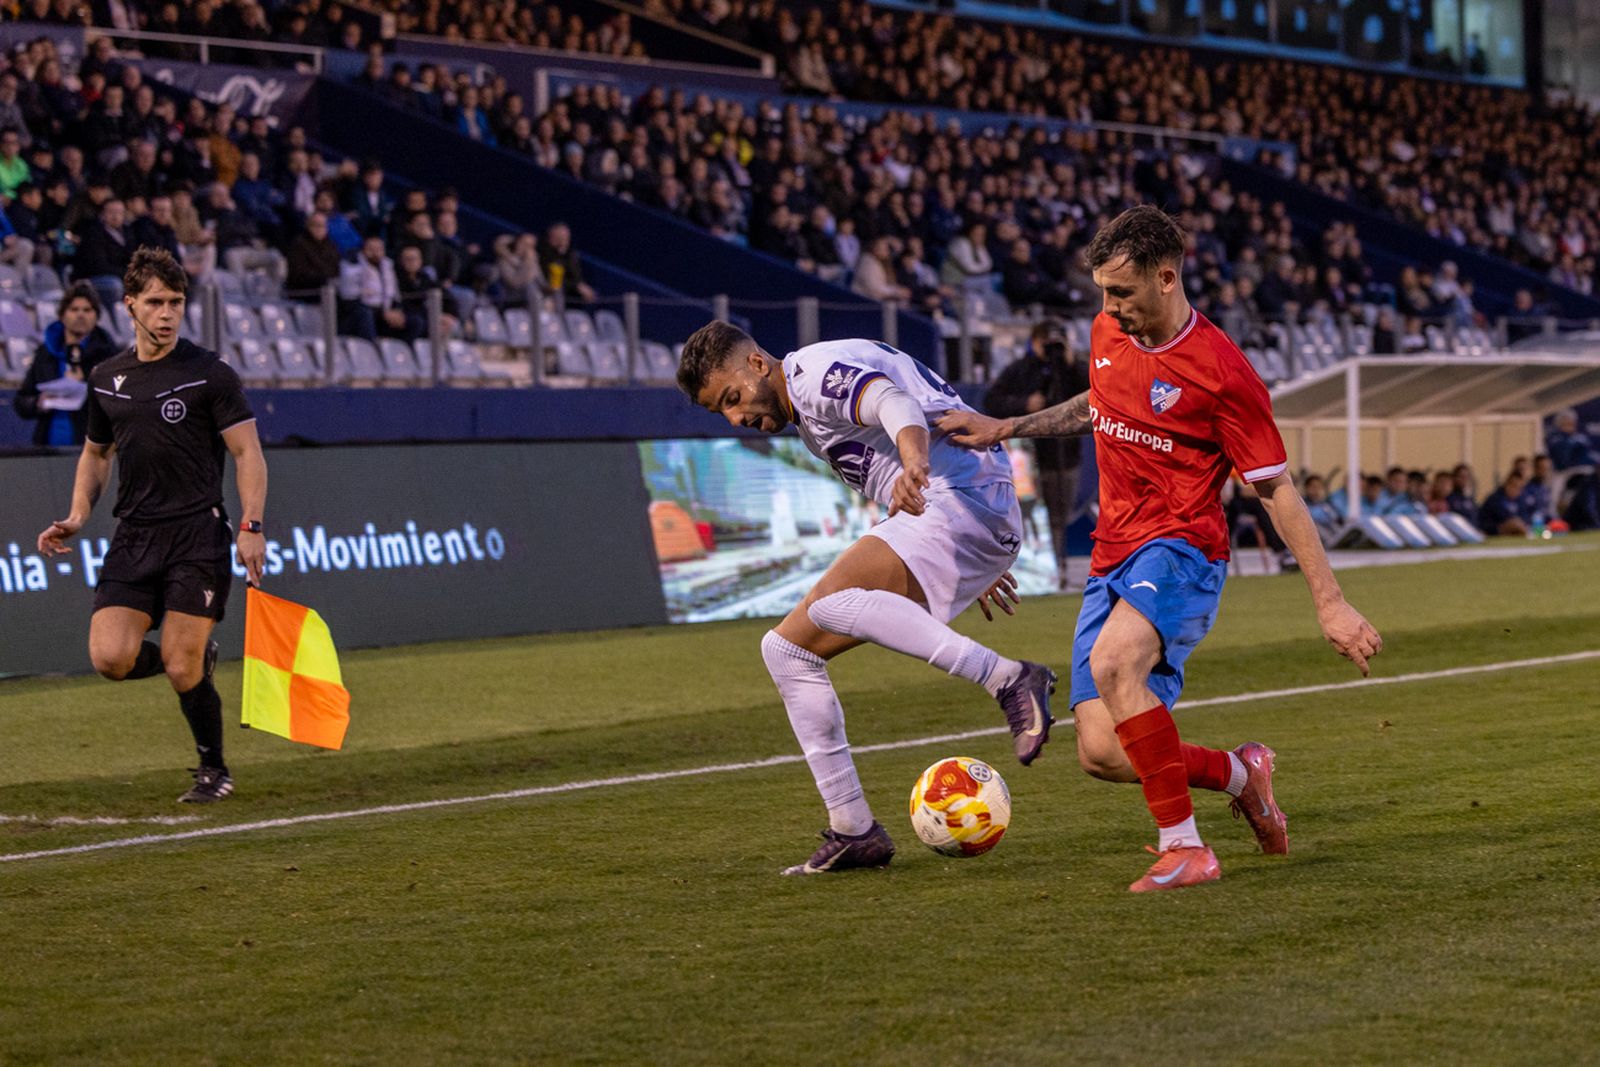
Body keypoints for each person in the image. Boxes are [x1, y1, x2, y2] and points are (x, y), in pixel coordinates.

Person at [937, 206, 1382, 893]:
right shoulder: (1106, 329)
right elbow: (1100, 402)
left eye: (1122, 293)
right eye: (1102, 293)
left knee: (1117, 664)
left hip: (1182, 547)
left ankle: (1188, 849)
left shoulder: (1223, 372)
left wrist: (1332, 601)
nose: (1109, 308)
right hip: (1110, 553)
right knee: (1103, 751)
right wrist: (1007, 426)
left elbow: (1277, 489)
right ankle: (1243, 774)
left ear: (1167, 277)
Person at [677, 320, 1058, 877]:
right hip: (961, 509)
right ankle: (853, 830)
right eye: (722, 412)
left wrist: (916, 464)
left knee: (831, 604)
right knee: (787, 651)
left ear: (759, 364)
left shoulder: (806, 376)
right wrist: (974, 555)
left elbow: (892, 402)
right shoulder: (806, 413)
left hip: (956, 496)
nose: (737, 418)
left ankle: (1007, 677)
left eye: (733, 398)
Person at [35, 247, 268, 803]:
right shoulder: (107, 378)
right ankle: (194, 663)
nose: (167, 313)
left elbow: (248, 454)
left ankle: (214, 769)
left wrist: (251, 523)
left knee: (179, 659)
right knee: (110, 659)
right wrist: (76, 515)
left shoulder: (209, 372)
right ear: (131, 305)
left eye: (177, 302)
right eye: (156, 302)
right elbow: (96, 455)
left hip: (197, 532)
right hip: (135, 536)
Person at [983, 319, 1090, 590]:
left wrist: (1070, 360)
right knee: (1031, 516)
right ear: (1034, 342)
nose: (1052, 348)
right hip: (1031, 460)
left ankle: (1059, 567)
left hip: (1066, 456)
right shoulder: (1020, 370)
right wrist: (1024, 404)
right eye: (1047, 343)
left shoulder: (1072, 370)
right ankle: (1045, 570)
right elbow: (991, 401)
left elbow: (1094, 392)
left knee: (1060, 516)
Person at [12, 283, 119, 446]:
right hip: (47, 447)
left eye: (87, 310)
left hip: (91, 446)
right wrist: (38, 403)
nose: (80, 315)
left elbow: (118, 404)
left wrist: (87, 387)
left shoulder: (108, 355)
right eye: (74, 309)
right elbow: (21, 400)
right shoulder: (45, 353)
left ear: (96, 316)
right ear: (62, 315)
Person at [1478, 470, 1534, 536]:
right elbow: (1501, 518)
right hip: (1493, 532)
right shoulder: (1495, 499)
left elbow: (1525, 518)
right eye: (1514, 486)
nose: (1516, 490)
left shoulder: (1520, 500)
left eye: (1520, 488)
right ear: (1507, 484)